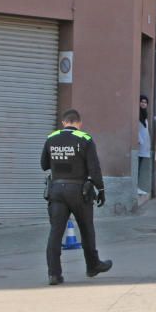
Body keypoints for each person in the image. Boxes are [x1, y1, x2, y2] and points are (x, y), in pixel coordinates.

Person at [41, 109, 113, 286]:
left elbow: (44, 165)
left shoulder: (51, 138)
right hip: (79, 191)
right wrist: (101, 189)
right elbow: (94, 168)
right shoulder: (85, 139)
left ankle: (54, 274)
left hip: (57, 190)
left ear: (64, 122)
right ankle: (92, 265)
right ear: (78, 123)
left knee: (55, 232)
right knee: (86, 228)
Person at [138, 95, 151, 196]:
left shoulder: (145, 115)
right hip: (139, 145)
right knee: (137, 167)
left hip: (143, 145)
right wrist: (140, 141)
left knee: (139, 167)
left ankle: (137, 187)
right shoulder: (137, 114)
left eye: (145, 102)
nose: (143, 103)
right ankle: (136, 187)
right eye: (141, 101)